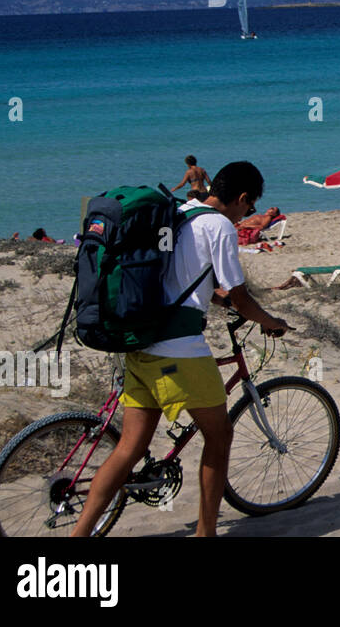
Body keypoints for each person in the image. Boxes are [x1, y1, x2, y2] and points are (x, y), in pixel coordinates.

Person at [72, 161, 291, 537]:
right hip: (179, 351)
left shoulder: (179, 211)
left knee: (129, 448)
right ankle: (205, 533)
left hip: (142, 342)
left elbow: (179, 279)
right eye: (249, 207)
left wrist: (215, 301)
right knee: (220, 437)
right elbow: (239, 295)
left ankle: (79, 535)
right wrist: (270, 321)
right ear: (242, 198)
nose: (247, 215)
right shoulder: (220, 226)